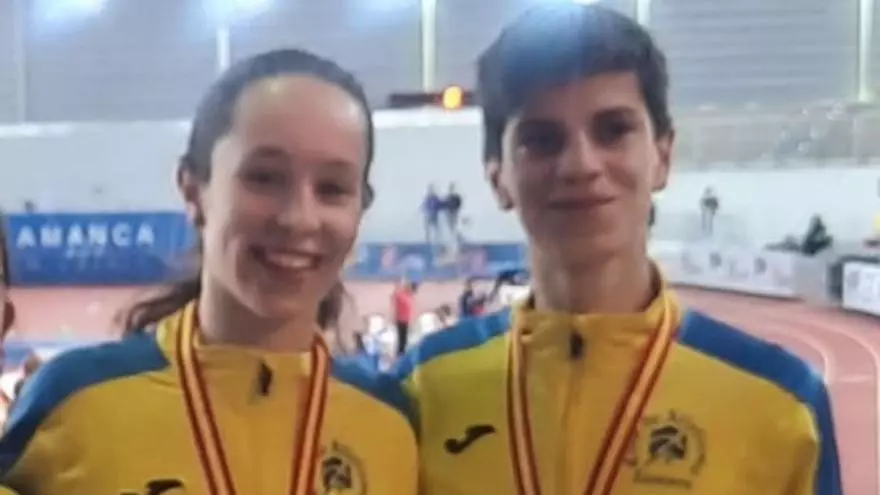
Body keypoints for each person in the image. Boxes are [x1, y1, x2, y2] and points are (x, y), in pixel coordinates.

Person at [394, 4, 841, 495]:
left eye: (613, 131)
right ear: (497, 176)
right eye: (542, 140)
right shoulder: (423, 389)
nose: (580, 164)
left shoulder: (781, 404)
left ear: (662, 157)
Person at [0, 49, 417, 494]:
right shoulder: (71, 404)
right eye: (264, 177)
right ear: (192, 190)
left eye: (332, 188)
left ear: (360, 210)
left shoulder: (391, 426)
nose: (299, 218)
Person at [392, 279, 416, 357]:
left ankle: (401, 353)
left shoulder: (409, 296)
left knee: (404, 339)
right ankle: (400, 353)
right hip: (400, 320)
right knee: (401, 338)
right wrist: (399, 285)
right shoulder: (401, 295)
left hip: (405, 320)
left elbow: (410, 309)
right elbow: (395, 295)